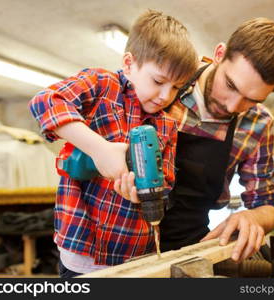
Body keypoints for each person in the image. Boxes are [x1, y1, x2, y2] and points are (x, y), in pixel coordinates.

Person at [28, 10, 198, 277]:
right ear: (129, 64)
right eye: (158, 81)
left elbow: (164, 180)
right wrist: (100, 149)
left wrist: (142, 195)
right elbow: (46, 101)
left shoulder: (167, 125)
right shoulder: (102, 85)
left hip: (135, 251)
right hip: (83, 250)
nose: (166, 95)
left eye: (176, 87)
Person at [123, 17, 274, 262]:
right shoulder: (167, 79)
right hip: (119, 244)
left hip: (191, 246)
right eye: (230, 85)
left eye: (252, 99)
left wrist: (253, 217)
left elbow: (268, 204)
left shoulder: (258, 123)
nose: (233, 105)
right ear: (219, 53)